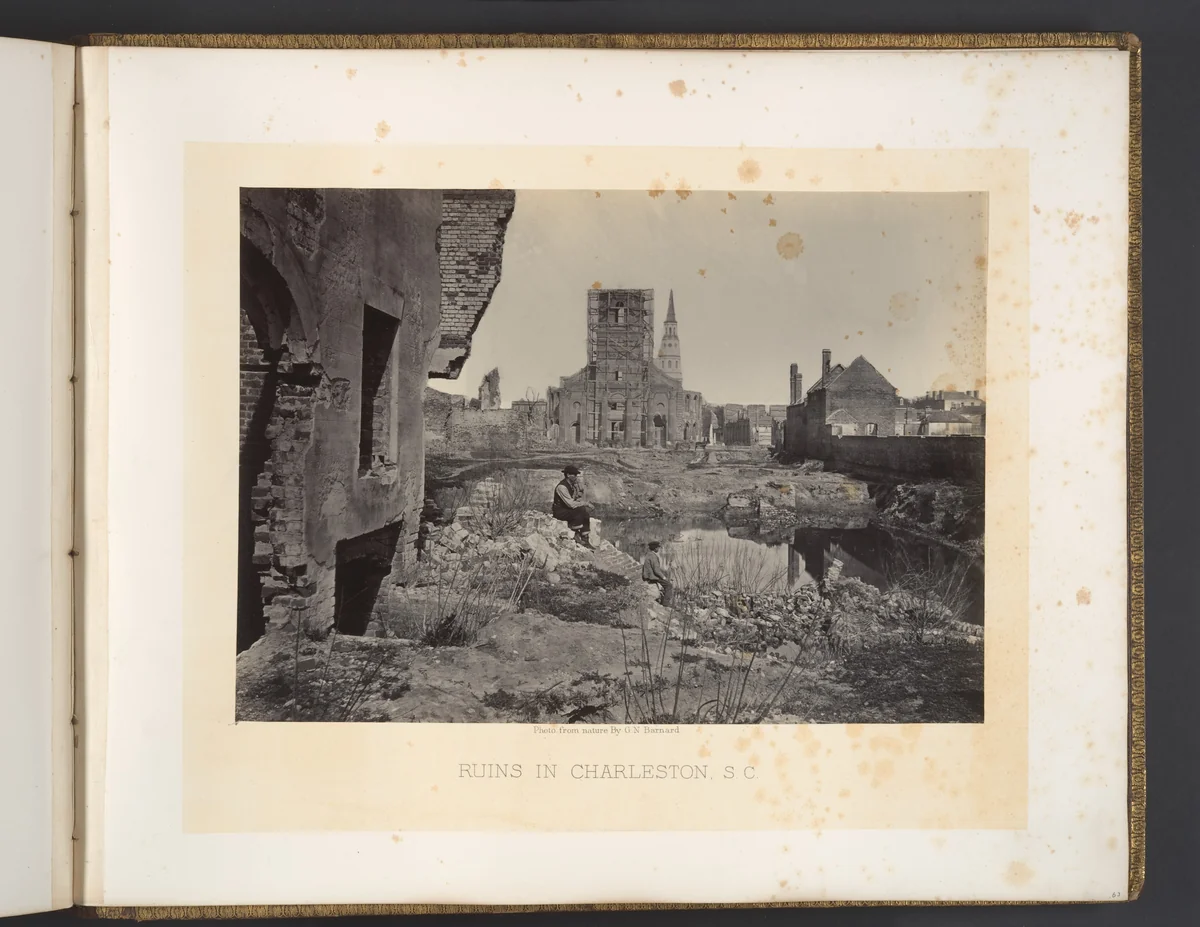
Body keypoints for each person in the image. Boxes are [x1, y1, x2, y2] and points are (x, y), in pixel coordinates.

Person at [552, 464, 594, 549]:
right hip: (560, 511)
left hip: (566, 510)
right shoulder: (562, 487)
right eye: (574, 475)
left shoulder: (572, 485)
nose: (576, 477)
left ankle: (585, 538)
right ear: (568, 475)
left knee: (585, 512)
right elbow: (570, 504)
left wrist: (579, 493)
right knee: (581, 510)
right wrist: (585, 503)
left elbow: (575, 499)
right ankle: (574, 532)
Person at [642, 541, 674, 606]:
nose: (659, 549)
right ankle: (666, 603)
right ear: (655, 548)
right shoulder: (653, 556)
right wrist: (663, 577)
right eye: (658, 548)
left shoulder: (649, 554)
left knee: (665, 585)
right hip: (652, 576)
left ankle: (663, 600)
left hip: (649, 575)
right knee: (669, 585)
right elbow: (656, 570)